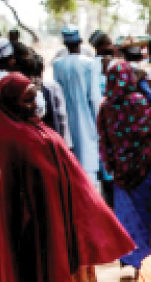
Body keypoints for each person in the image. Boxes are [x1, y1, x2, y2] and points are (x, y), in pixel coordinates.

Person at [0, 73, 134, 282]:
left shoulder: (33, 127)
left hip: (59, 217)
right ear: (11, 104)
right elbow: (18, 197)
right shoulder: (10, 139)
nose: (33, 106)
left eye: (33, 99)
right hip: (37, 229)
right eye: (26, 101)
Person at [98, 61, 151, 271]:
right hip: (143, 167)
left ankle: (134, 261)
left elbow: (103, 138)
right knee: (146, 214)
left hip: (120, 170)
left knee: (128, 217)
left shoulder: (105, 106)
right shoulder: (137, 101)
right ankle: (148, 261)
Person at [53, 26, 102, 183]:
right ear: (80, 41)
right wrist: (99, 124)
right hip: (87, 121)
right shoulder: (90, 64)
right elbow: (94, 97)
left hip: (65, 122)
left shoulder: (57, 64)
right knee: (88, 170)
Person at [24, 55, 72, 149]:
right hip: (51, 138)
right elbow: (62, 117)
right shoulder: (52, 87)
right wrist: (66, 143)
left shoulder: (24, 89)